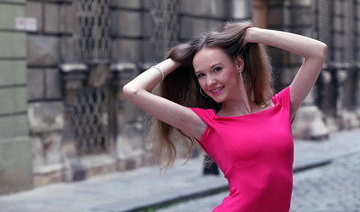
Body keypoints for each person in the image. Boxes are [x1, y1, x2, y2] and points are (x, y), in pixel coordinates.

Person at [123, 21, 327, 212]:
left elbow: (318, 52)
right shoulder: (206, 124)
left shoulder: (280, 108)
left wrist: (250, 33)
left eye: (217, 69)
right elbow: (133, 90)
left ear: (239, 63)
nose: (209, 81)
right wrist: (178, 59)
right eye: (201, 75)